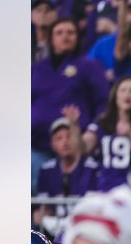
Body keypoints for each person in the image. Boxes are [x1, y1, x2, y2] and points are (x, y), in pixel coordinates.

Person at [31, 17, 110, 187]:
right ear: (51, 39)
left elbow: (104, 104)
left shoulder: (90, 66)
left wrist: (93, 131)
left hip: (76, 148)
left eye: (70, 32)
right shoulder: (37, 69)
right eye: (59, 33)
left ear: (77, 38)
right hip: (37, 147)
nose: (65, 37)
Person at [82, 77, 131, 193]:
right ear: (115, 95)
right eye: (123, 90)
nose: (127, 94)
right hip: (105, 188)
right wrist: (74, 127)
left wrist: (130, 135)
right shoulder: (102, 122)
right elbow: (84, 148)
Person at [36, 119, 100, 200]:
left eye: (69, 137)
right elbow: (44, 205)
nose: (65, 142)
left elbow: (93, 206)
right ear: (53, 144)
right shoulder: (46, 169)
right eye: (59, 138)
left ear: (77, 140)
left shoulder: (92, 168)